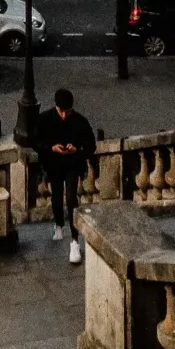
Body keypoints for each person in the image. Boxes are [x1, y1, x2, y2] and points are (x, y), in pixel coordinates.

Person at [37, 87, 98, 264]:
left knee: (71, 198)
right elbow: (36, 141)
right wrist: (51, 148)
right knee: (56, 196)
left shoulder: (79, 121)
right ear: (56, 107)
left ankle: (74, 239)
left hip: (72, 164)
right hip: (55, 164)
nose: (64, 115)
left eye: (67, 112)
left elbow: (90, 145)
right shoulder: (46, 119)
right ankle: (59, 224)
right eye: (61, 111)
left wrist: (77, 150)